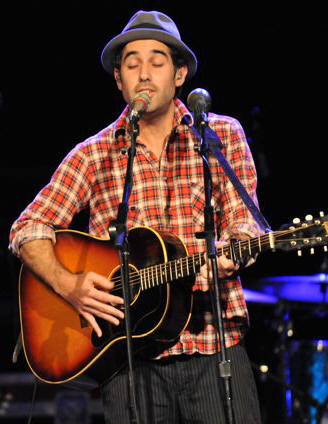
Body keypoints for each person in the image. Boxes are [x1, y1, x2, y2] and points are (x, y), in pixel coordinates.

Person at [9, 10, 263, 424]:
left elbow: (243, 222)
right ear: (119, 80)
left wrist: (237, 249)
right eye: (131, 64)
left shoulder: (221, 136)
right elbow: (28, 227)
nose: (144, 73)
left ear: (179, 74)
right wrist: (67, 284)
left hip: (215, 348)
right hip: (127, 360)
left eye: (157, 62)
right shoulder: (93, 154)